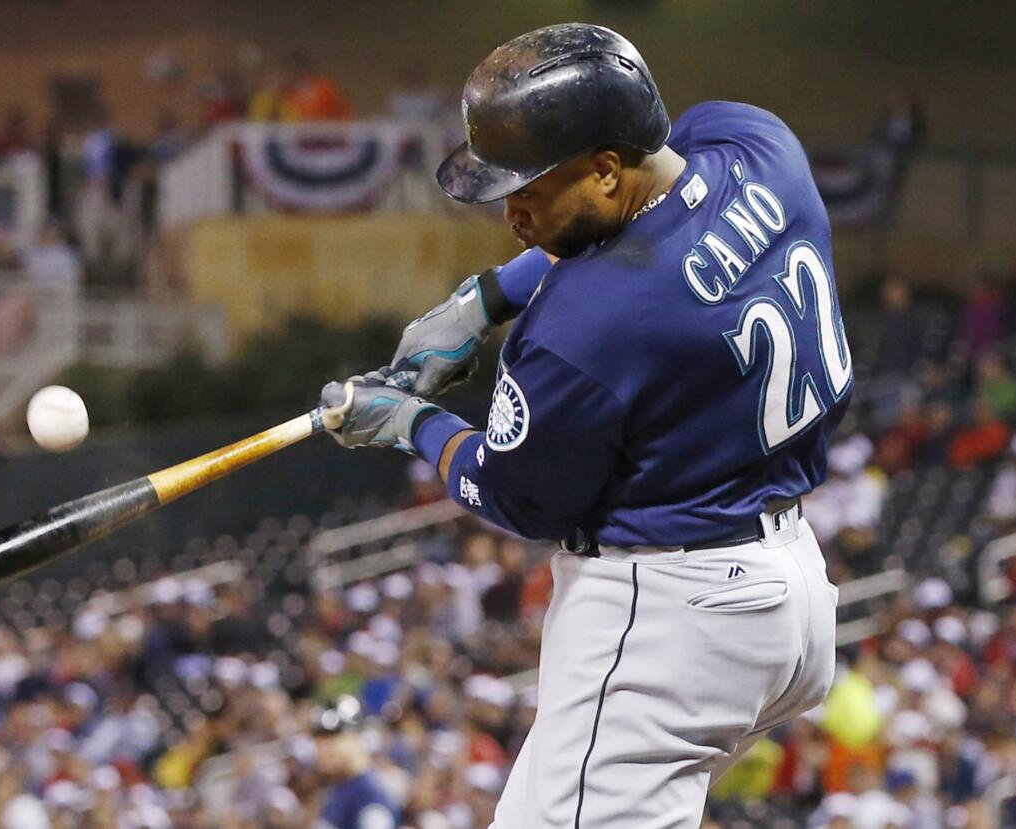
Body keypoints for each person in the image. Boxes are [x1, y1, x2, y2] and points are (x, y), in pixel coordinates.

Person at [318, 23, 845, 828]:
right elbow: (661, 202)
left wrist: (413, 423)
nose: (512, 214)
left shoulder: (582, 329)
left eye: (527, 190)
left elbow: (519, 497)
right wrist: (491, 296)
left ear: (605, 168)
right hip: (789, 599)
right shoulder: (757, 143)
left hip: (672, 618)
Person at [312, 695, 400, 829]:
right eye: (319, 741)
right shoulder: (341, 787)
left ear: (357, 739)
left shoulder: (370, 796)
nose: (322, 749)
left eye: (332, 739)